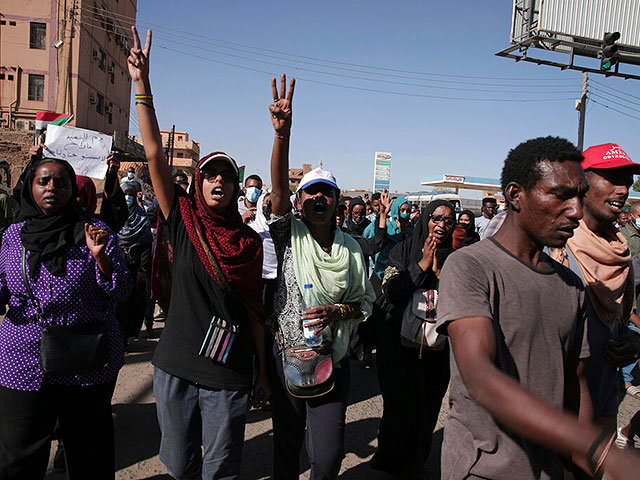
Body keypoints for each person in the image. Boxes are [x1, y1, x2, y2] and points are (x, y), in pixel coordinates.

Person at [436, 136, 640, 480]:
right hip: (484, 467)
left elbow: (577, 383)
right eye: (561, 195)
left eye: (579, 195)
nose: (575, 209)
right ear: (516, 195)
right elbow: (481, 377)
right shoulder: (470, 266)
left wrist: (581, 465)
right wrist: (598, 449)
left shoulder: (571, 285)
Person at [128, 27, 269, 479]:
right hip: (175, 367)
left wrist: (262, 373)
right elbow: (152, 152)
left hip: (227, 374)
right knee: (179, 465)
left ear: (235, 187)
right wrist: (141, 86)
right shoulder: (182, 220)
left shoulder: (248, 243)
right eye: (211, 174)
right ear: (200, 180)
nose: (219, 182)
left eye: (227, 177)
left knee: (221, 468)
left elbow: (252, 314)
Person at [266, 73, 375, 479]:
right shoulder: (287, 234)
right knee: (286, 450)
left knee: (327, 457)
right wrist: (282, 133)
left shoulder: (350, 248)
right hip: (287, 360)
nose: (317, 197)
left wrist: (335, 311)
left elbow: (365, 303)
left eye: (325, 192)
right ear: (299, 201)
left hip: (334, 361)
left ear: (337, 203)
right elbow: (277, 188)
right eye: (310, 192)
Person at [0, 147, 132, 479]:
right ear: (31, 186)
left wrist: (100, 257)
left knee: (89, 452)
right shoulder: (13, 236)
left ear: (72, 190)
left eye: (62, 182)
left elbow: (122, 291)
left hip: (85, 358)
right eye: (44, 181)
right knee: (19, 451)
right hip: (23, 359)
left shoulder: (95, 231)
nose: (52, 188)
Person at [549, 143, 640, 429]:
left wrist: (633, 341)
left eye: (626, 181)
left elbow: (618, 324)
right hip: (556, 412)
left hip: (603, 400)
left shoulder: (620, 252)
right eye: (612, 179)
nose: (623, 189)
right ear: (582, 182)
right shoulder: (553, 248)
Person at [371, 200, 456, 478]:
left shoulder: (459, 258)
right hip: (398, 345)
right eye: (436, 218)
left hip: (437, 351)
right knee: (398, 407)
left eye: (448, 220)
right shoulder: (403, 249)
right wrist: (421, 266)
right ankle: (389, 457)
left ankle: (415, 463)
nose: (441, 225)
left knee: (427, 409)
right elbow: (391, 289)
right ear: (425, 220)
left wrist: (441, 274)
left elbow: (464, 300)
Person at [117, 181, 154, 344]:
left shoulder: (142, 218)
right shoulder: (115, 216)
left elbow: (146, 244)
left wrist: (142, 270)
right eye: (125, 194)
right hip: (117, 268)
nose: (127, 198)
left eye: (130, 195)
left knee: (132, 304)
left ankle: (126, 337)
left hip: (134, 268)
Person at [364, 196, 412, 294]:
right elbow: (368, 237)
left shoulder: (410, 234)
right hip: (380, 273)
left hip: (398, 277)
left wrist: (404, 233)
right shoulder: (386, 226)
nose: (405, 214)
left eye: (408, 211)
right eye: (402, 210)